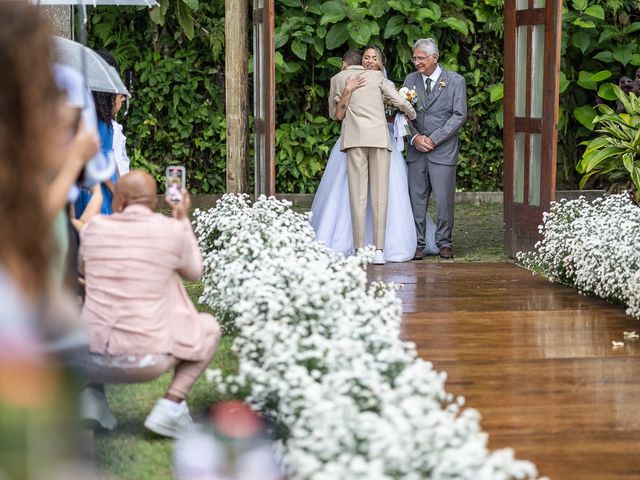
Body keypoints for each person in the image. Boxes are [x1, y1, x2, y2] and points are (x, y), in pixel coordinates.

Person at [79, 171, 221, 439]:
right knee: (209, 327)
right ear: (155, 201)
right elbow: (195, 272)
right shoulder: (171, 229)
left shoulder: (94, 229)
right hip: (148, 360)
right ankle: (172, 404)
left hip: (89, 358)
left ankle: (90, 396)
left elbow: (81, 269)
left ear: (118, 200)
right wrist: (182, 219)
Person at [312, 48, 437, 262]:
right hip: (379, 140)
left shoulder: (338, 79)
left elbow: (335, 115)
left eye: (373, 58)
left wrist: (347, 93)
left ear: (344, 63)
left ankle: (359, 250)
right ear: (361, 61)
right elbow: (400, 102)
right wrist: (412, 113)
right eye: (367, 58)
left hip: (354, 141)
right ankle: (379, 251)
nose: (370, 61)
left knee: (357, 197)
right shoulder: (378, 77)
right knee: (380, 197)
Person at [403, 38, 467, 260]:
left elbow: (459, 114)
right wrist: (415, 138)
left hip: (442, 150)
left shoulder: (455, 81)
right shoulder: (410, 80)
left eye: (420, 58)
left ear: (434, 58)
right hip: (416, 150)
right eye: (414, 58)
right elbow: (403, 112)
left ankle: (444, 242)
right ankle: (418, 243)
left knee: (444, 200)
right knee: (416, 199)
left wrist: (434, 138)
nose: (416, 62)